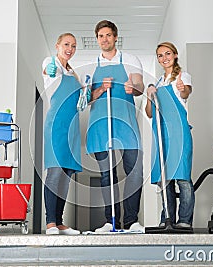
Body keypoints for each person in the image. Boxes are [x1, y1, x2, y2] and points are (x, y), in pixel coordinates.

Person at [86, 20, 145, 232]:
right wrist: (101, 89)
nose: (105, 39)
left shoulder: (129, 59)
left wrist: (133, 87)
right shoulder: (92, 65)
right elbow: (86, 100)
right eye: (101, 36)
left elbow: (139, 86)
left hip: (126, 124)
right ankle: (109, 221)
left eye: (108, 35)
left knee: (134, 171)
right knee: (106, 175)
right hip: (101, 127)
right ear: (97, 39)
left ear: (115, 37)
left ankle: (131, 221)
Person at [145, 41, 195, 230]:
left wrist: (183, 88)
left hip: (179, 134)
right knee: (165, 179)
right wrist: (150, 95)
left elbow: (186, 92)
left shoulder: (182, 77)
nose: (164, 58)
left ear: (175, 55)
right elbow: (150, 113)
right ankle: (167, 219)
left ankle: (184, 220)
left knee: (182, 178)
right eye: (160, 55)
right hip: (161, 135)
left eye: (167, 54)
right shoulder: (158, 83)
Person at [42, 33, 82, 235]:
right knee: (55, 171)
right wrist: (48, 70)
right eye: (66, 44)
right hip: (56, 125)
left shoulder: (73, 73)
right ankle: (50, 222)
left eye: (73, 46)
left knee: (66, 175)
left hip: (73, 128)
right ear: (57, 45)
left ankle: (59, 222)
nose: (70, 48)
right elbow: (48, 71)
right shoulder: (52, 63)